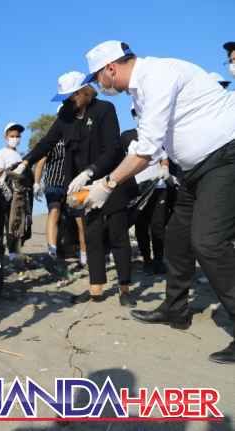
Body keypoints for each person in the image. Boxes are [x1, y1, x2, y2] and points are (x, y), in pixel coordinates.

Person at [80, 40, 235, 364]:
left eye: (97, 78)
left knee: (208, 243)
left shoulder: (158, 76)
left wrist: (107, 184)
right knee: (176, 239)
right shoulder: (140, 90)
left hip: (224, 159)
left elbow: (146, 149)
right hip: (194, 172)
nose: (98, 85)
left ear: (111, 68)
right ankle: (176, 310)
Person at [13, 71, 136, 307]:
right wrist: (25, 162)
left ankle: (125, 288)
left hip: (110, 181)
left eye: (71, 97)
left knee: (117, 235)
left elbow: (112, 148)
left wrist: (90, 171)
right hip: (82, 188)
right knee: (92, 236)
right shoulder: (65, 117)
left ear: (84, 92)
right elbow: (46, 143)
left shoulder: (104, 110)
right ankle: (95, 289)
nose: (67, 102)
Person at [122, 109, 171, 275]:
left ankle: (159, 260)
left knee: (158, 225)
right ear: (133, 115)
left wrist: (165, 167)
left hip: (159, 187)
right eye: (135, 113)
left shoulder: (158, 135)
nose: (139, 115)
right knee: (141, 225)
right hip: (138, 189)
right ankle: (147, 260)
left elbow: (165, 155)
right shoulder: (127, 136)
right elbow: (122, 160)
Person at [0, 123, 25, 262]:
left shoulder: (18, 154)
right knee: (4, 221)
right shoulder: (2, 152)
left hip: (18, 192)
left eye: (18, 136)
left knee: (16, 222)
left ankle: (14, 252)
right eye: (12, 136)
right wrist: (9, 170)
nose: (15, 138)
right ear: (6, 137)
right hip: (5, 191)